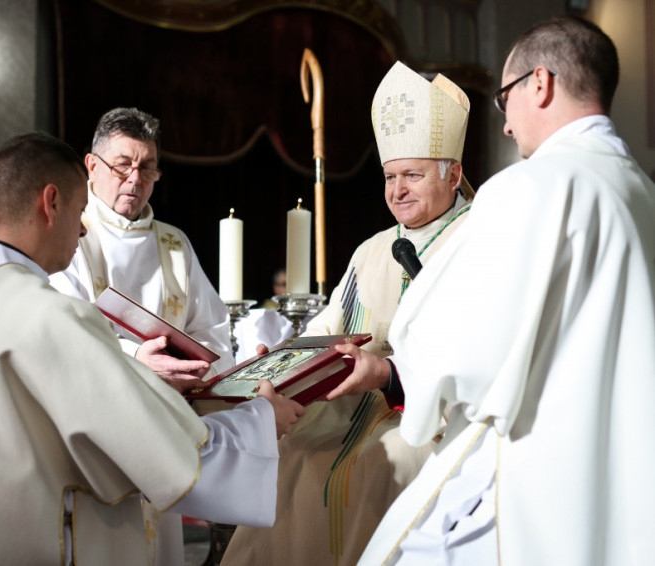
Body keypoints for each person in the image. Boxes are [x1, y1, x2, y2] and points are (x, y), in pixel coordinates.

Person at [0, 133, 304, 565]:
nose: (83, 232)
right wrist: (260, 418)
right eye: (81, 211)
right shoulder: (45, 315)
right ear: (52, 202)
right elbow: (169, 458)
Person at [353, 17, 655, 565]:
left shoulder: (531, 186)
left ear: (540, 84)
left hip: (534, 471)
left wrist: (398, 372)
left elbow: (457, 348)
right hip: (629, 469)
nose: (509, 126)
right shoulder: (643, 191)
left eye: (505, 99)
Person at [222, 61, 475, 566]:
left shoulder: (482, 239)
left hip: (440, 412)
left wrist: (390, 374)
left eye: (412, 175)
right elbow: (329, 328)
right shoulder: (373, 250)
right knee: (294, 451)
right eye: (389, 176)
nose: (398, 190)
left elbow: (481, 346)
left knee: (385, 463)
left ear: (454, 173)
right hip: (358, 405)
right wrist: (284, 360)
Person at [50, 107, 234, 391]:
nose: (135, 179)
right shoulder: (71, 232)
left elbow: (212, 332)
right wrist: (137, 359)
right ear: (92, 166)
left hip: (176, 402)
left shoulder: (173, 244)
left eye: (147, 167)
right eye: (122, 165)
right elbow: (66, 331)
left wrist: (189, 370)